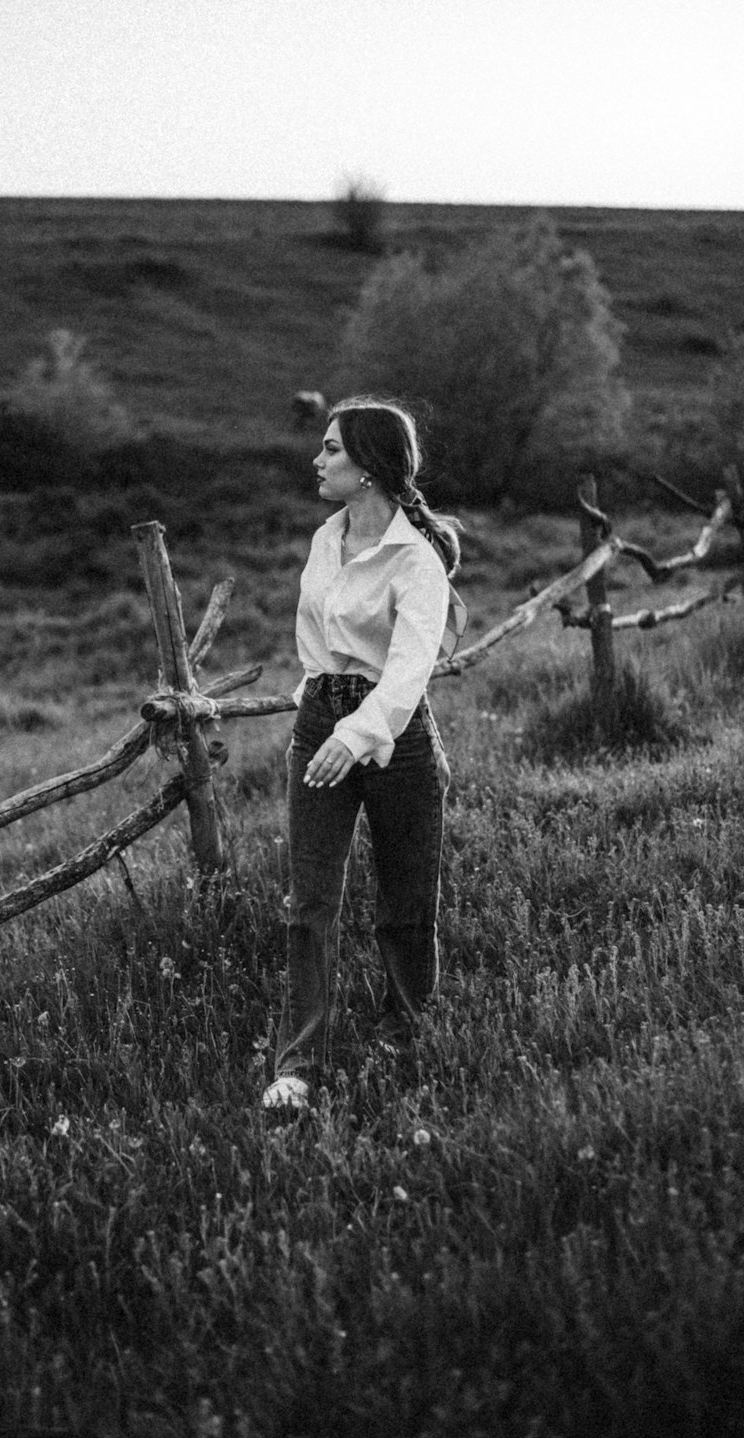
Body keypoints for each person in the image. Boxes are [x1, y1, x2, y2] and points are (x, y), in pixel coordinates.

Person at [263, 395, 465, 1111]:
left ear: (370, 469)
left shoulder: (417, 562)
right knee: (310, 901)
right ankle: (298, 1065)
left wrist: (356, 735)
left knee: (406, 900)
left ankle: (402, 1034)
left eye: (331, 450)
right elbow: (320, 633)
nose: (317, 461)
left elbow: (409, 673)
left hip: (396, 738)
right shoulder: (327, 537)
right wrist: (318, 704)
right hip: (321, 722)